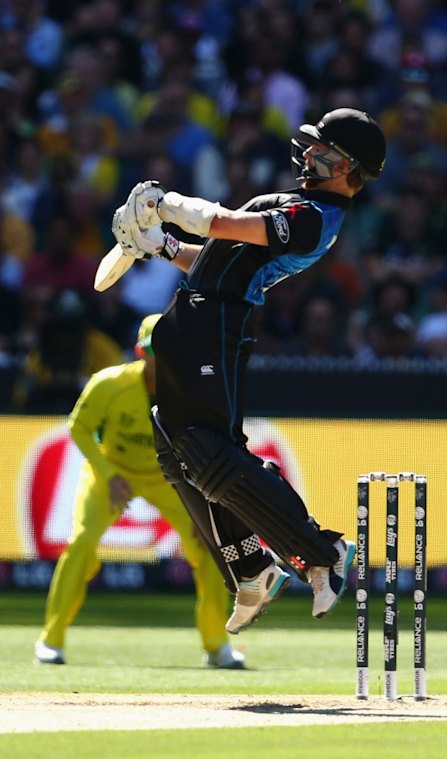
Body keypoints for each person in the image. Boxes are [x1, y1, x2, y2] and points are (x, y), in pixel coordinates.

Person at [109, 107, 386, 635]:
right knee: (176, 450)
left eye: (323, 152)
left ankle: (321, 551)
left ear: (350, 169)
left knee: (211, 451)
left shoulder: (312, 220)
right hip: (194, 315)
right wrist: (159, 244)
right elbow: (216, 256)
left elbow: (219, 223)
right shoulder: (301, 206)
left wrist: (163, 204)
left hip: (217, 324)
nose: (308, 154)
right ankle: (251, 568)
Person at [34, 313, 245, 669]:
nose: (162, 361)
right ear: (139, 352)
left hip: (167, 479)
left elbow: (202, 445)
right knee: (81, 544)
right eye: (155, 352)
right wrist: (108, 473)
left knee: (210, 551)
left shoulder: (190, 390)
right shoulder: (109, 384)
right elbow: (80, 428)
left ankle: (217, 645)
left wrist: (199, 500)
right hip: (111, 472)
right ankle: (51, 641)